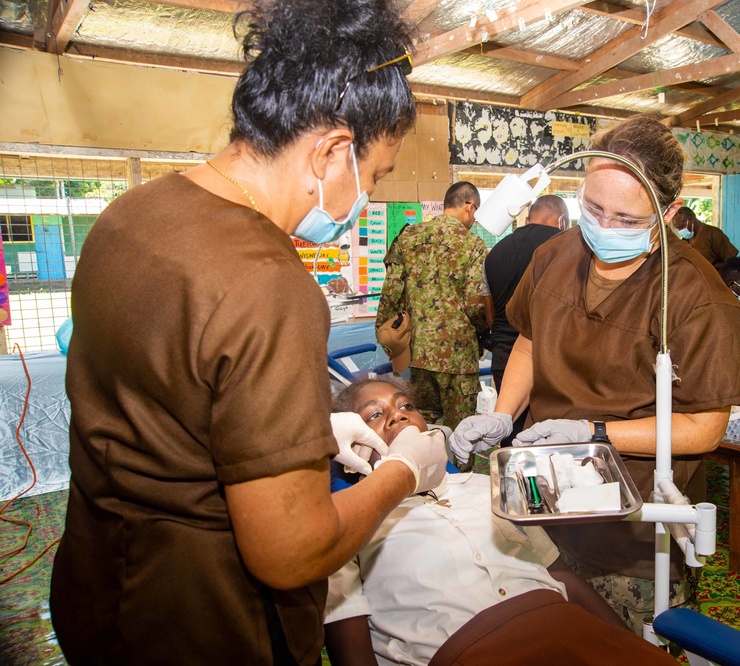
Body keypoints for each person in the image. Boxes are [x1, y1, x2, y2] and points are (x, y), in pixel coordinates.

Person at [48, 1, 448, 663]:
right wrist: (403, 473)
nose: (367, 198)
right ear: (329, 152)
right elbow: (291, 552)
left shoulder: (130, 214)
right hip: (202, 624)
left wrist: (315, 433)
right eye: (374, 176)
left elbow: (177, 401)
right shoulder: (268, 283)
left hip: (99, 588)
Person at [449, 114, 740, 634]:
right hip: (542, 514)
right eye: (593, 208)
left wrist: (593, 435)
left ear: (670, 211)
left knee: (620, 643)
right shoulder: (555, 254)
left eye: (628, 219)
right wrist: (503, 414)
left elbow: (704, 427)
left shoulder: (695, 297)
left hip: (631, 531)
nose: (605, 229)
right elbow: (528, 338)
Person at [323, 377, 679, 666]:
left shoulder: (490, 488)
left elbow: (563, 576)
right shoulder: (345, 524)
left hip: (564, 626)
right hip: (464, 649)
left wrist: (626, 646)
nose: (397, 416)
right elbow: (349, 645)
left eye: (406, 406)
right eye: (373, 415)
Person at [376, 181, 488, 432]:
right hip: (457, 360)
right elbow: (474, 304)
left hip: (417, 355)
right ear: (470, 206)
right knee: (462, 432)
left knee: (423, 427)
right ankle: (460, 471)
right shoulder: (474, 245)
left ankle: (428, 469)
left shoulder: (408, 237)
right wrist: (485, 332)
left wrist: (386, 336)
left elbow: (391, 291)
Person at [484, 194, 568, 446]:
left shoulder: (495, 251)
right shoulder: (564, 246)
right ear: (562, 221)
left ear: (527, 218)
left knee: (510, 434)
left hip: (503, 357)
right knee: (549, 440)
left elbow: (488, 310)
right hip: (549, 360)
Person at [671, 205, 739, 269]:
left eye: (683, 226)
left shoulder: (713, 233)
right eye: (679, 229)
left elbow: (731, 261)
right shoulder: (686, 240)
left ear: (691, 218)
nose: (681, 231)